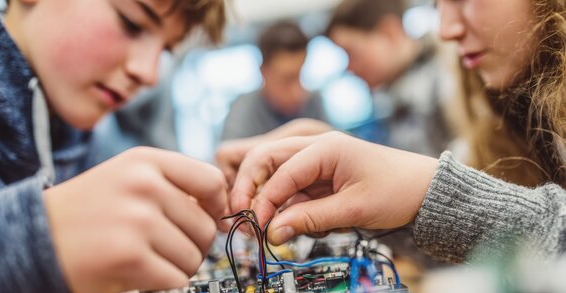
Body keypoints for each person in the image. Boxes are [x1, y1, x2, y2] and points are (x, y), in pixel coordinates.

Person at [0, 0, 227, 293]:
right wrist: (38, 242)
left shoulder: (75, 135)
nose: (150, 73)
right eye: (131, 23)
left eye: (165, 49)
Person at [228, 0, 566, 263]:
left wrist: (430, 194)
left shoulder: (448, 90)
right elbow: (494, 265)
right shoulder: (494, 102)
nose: (446, 29)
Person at [326, 0, 454, 156]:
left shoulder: (447, 81)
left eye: (351, 53)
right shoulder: (387, 95)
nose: (349, 67)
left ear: (389, 32)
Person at [220, 20, 329, 141]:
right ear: (264, 72)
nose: (298, 92)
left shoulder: (313, 101)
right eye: (287, 79)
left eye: (301, 75)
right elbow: (225, 155)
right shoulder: (244, 109)